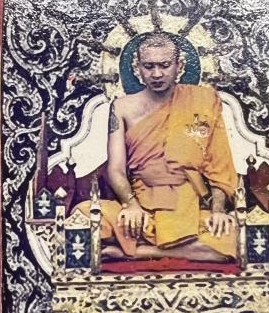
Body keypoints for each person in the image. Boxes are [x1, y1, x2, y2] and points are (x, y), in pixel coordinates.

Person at [79, 32, 238, 262]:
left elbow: (219, 165)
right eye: (149, 66)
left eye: (164, 65)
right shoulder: (122, 108)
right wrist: (131, 205)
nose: (156, 74)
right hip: (142, 206)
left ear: (179, 66)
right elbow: (116, 169)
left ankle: (138, 252)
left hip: (187, 208)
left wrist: (218, 211)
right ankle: (175, 248)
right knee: (84, 215)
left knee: (235, 237)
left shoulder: (203, 100)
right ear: (137, 68)